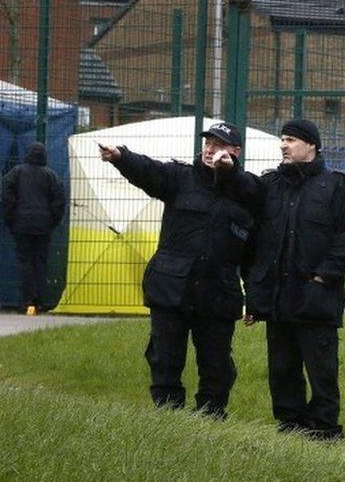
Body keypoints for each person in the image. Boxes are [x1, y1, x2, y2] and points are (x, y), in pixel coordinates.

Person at [97, 122, 255, 419]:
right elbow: (149, 171)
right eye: (208, 143)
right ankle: (168, 416)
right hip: (171, 288)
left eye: (219, 145)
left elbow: (254, 250)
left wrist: (256, 296)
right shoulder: (180, 177)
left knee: (216, 363)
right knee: (164, 356)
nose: (210, 150)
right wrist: (121, 157)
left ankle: (211, 417)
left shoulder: (247, 191)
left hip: (218, 294)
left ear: (235, 152)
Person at [230, 118, 345, 440]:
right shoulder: (270, 185)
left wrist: (322, 278)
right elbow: (254, 242)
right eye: (282, 139)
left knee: (321, 370)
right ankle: (289, 427)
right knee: (281, 368)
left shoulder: (336, 186)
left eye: (290, 139)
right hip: (277, 297)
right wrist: (255, 289)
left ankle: (324, 431)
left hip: (316, 297)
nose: (283, 145)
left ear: (311, 145)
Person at [1, 141, 67, 314]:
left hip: (21, 224)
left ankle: (26, 301)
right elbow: (59, 201)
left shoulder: (16, 173)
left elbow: (7, 197)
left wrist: (11, 219)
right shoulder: (51, 176)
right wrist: (52, 220)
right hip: (43, 226)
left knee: (25, 261)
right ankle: (41, 300)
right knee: (41, 262)